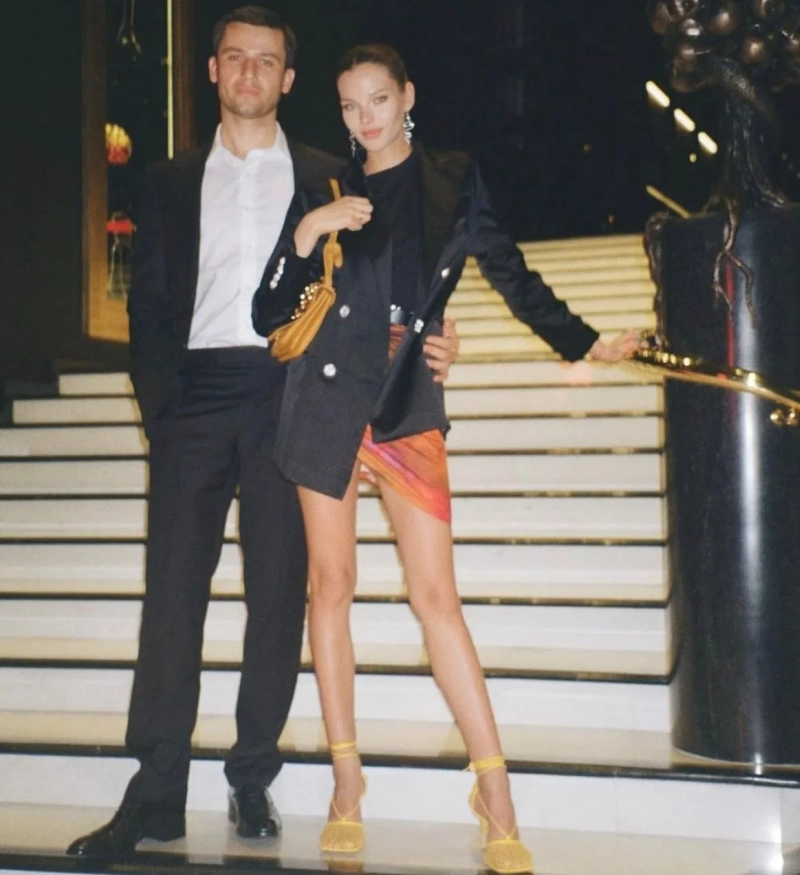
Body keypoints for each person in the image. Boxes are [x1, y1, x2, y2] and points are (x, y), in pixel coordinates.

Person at [66, 8, 461, 861]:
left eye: (267, 60)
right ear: (213, 70)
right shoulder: (168, 181)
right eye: (235, 57)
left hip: (292, 394)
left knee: (280, 592)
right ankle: (156, 789)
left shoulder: (329, 178)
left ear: (288, 78)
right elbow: (149, 306)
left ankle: (252, 774)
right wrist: (162, 406)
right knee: (173, 591)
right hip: (195, 397)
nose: (250, 72)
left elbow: (394, 277)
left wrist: (436, 335)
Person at [252, 43, 639, 875]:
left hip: (403, 398)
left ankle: (495, 789)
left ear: (407, 97)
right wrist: (309, 230)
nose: (365, 118)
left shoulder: (452, 179)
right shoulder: (324, 185)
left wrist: (584, 341)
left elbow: (510, 273)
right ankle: (346, 783)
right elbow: (270, 307)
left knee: (438, 598)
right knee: (331, 585)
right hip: (325, 400)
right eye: (350, 104)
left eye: (378, 99)